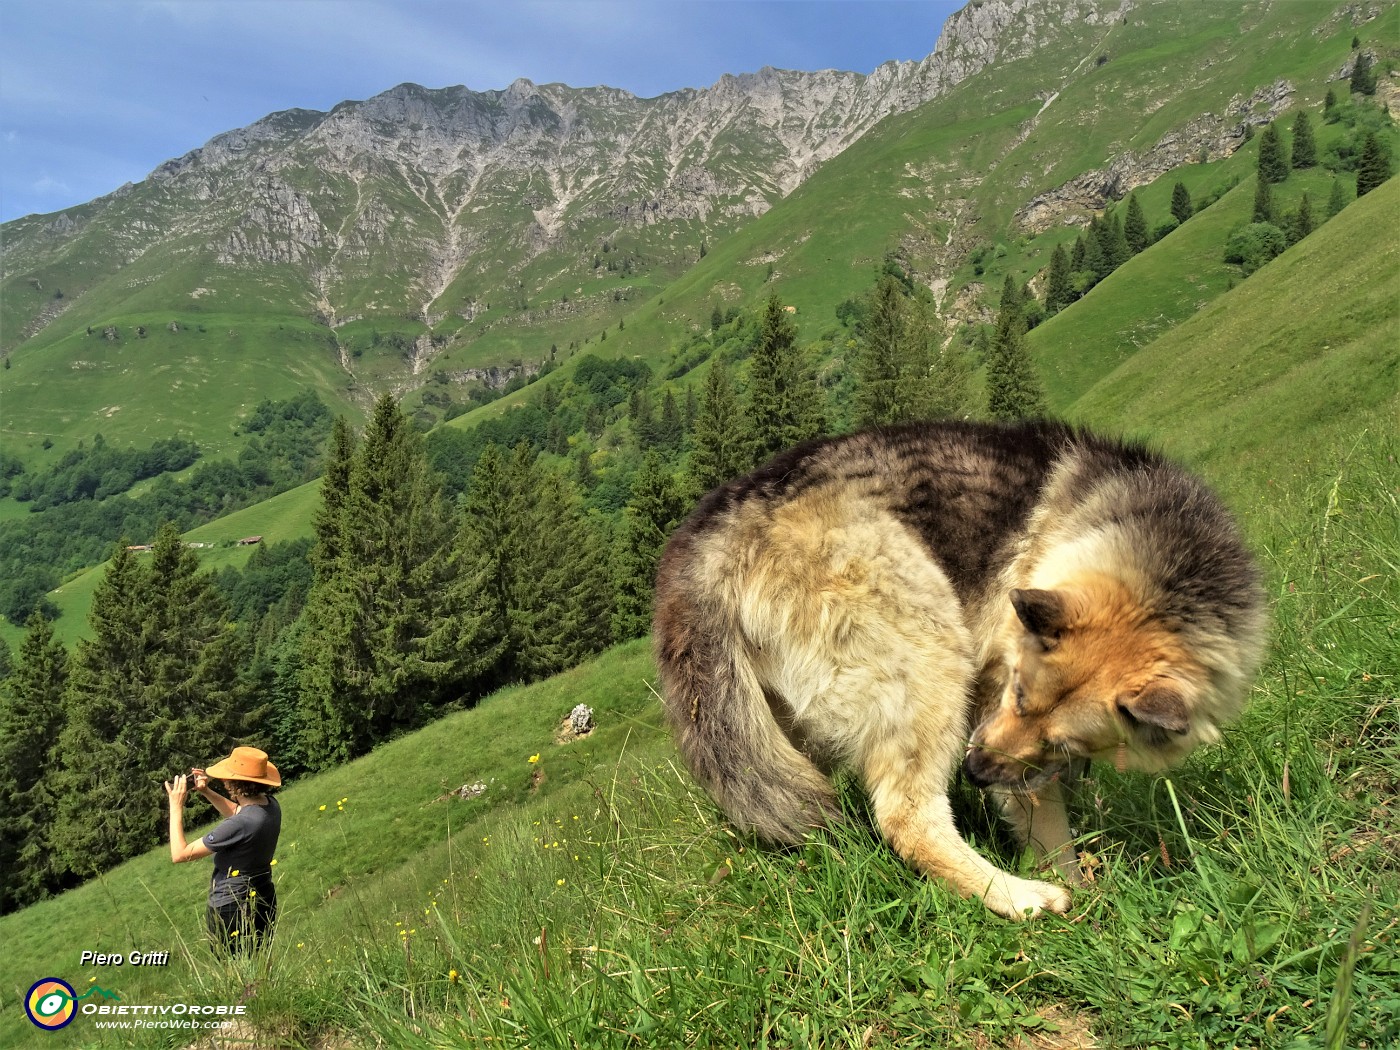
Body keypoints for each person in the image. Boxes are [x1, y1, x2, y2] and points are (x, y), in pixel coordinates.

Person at [165, 746, 282, 955]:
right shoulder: (270, 806)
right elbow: (238, 812)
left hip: (232, 908)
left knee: (236, 972)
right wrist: (206, 791)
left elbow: (180, 854)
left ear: (233, 784)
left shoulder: (242, 823)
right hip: (264, 896)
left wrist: (175, 806)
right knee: (260, 963)